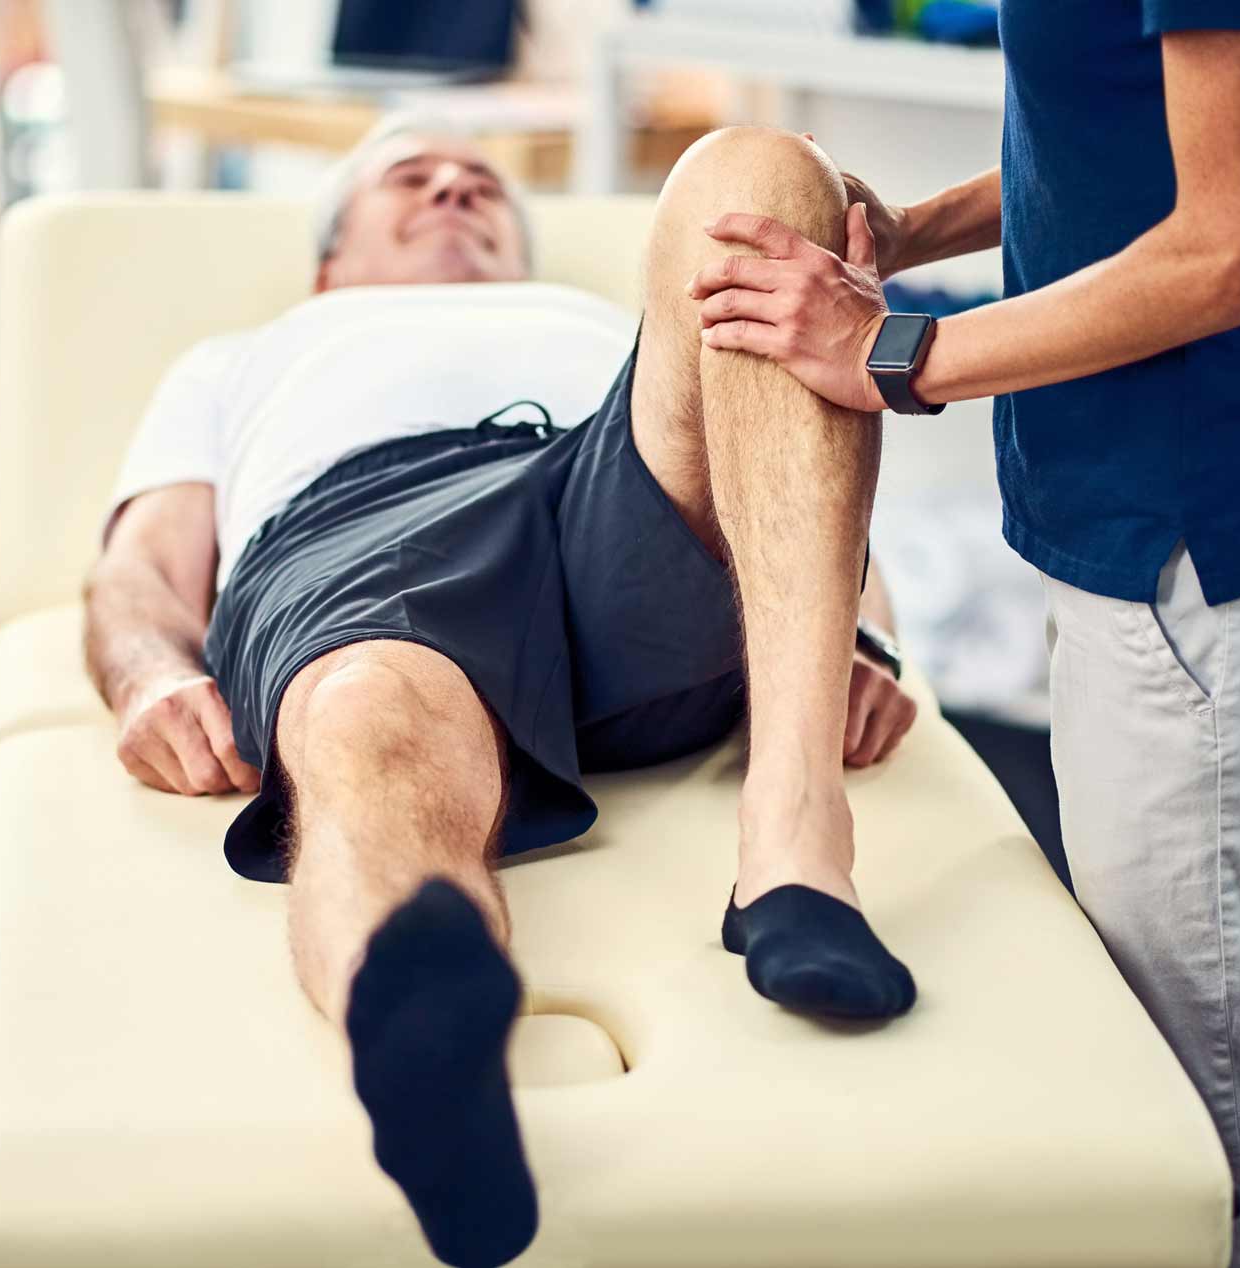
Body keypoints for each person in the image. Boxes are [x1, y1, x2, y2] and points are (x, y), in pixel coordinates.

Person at [84, 119, 920, 1268]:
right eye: (409, 181)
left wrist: (862, 642)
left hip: (608, 488)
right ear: (331, 263)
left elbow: (783, 466)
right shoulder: (246, 351)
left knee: (762, 178)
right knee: (372, 713)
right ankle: (430, 1060)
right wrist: (150, 675)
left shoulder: (584, 315)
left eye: (478, 182)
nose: (451, 188)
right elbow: (140, 566)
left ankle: (792, 836)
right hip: (360, 534)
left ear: (517, 241)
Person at [688, 5, 1240, 1267]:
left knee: (1229, 1189)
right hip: (1198, 552)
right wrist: (922, 229)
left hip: (1219, 575)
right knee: (1215, 1136)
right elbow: (1119, 129)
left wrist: (895, 351)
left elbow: (1237, 248)